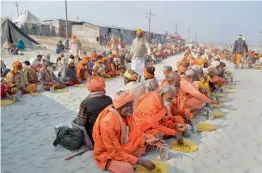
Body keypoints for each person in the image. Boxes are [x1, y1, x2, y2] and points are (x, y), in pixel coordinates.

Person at [93, 90, 163, 173]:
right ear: (120, 106)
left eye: (132, 104)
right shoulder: (107, 123)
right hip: (108, 153)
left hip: (124, 146)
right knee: (128, 169)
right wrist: (139, 162)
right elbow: (114, 152)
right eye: (128, 105)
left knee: (151, 137)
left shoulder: (127, 115)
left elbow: (136, 133)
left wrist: (146, 140)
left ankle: (131, 155)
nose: (132, 108)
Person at [76, 76, 112, 144]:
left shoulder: (85, 102)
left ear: (89, 88)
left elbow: (81, 122)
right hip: (108, 133)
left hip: (93, 136)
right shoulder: (109, 99)